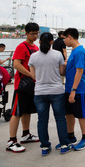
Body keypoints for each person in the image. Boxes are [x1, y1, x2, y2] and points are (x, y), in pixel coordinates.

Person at [29, 32, 73, 155]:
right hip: (56, 91)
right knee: (60, 119)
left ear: (39, 41)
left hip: (40, 92)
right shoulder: (58, 54)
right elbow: (61, 72)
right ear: (52, 42)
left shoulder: (33, 57)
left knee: (42, 120)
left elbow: (33, 76)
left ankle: (44, 147)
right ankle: (64, 145)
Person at [7, 22, 40, 153]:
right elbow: (16, 64)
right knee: (17, 112)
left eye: (37, 33)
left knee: (27, 111)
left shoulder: (36, 48)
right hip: (22, 85)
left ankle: (26, 134)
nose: (35, 36)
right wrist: (31, 74)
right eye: (32, 34)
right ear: (26, 33)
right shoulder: (21, 47)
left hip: (32, 84)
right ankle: (11, 140)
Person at [62, 27, 85, 151]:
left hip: (79, 89)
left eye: (64, 39)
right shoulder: (74, 51)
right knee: (69, 113)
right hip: (69, 87)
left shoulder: (79, 51)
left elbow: (79, 71)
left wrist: (73, 90)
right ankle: (70, 136)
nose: (63, 42)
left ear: (70, 37)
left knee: (81, 114)